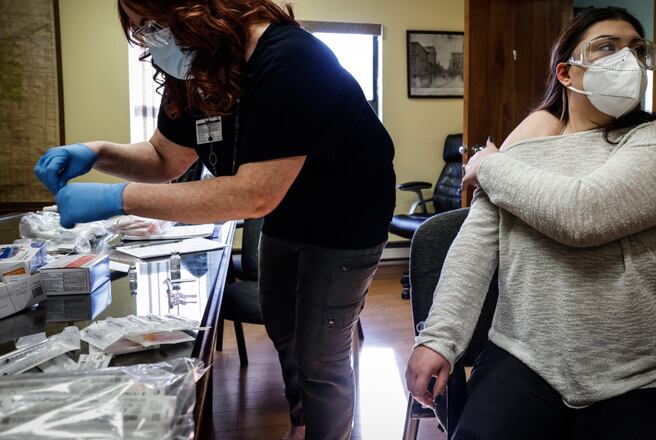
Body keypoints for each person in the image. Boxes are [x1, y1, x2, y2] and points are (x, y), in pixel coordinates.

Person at [33, 1, 395, 439]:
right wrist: (96, 153)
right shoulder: (197, 67)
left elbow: (254, 193)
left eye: (150, 22)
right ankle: (303, 422)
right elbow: (164, 158)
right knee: (282, 327)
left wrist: (119, 199)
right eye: (136, 28)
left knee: (320, 355)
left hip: (346, 216)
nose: (147, 38)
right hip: (287, 208)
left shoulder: (290, 59)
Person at [405, 7, 656, 440]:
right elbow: (475, 247)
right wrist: (438, 339)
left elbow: (584, 214)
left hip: (644, 370)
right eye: (608, 47)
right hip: (524, 356)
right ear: (566, 73)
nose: (628, 60)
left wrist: (489, 164)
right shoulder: (524, 152)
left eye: (638, 51)